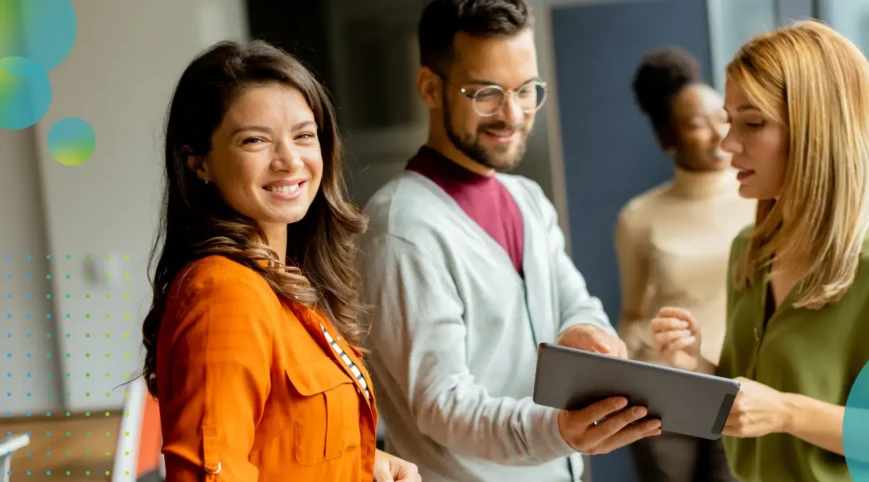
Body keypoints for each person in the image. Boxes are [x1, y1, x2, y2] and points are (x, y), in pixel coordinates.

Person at [358, 1, 662, 481]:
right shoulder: (402, 229)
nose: (513, 114)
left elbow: (577, 306)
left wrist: (586, 336)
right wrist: (558, 431)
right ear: (429, 87)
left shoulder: (528, 200)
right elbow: (443, 406)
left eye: (526, 91)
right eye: (487, 94)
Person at [650, 20, 869, 481]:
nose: (728, 144)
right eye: (731, 121)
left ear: (816, 132)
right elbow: (750, 407)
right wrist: (696, 363)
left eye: (752, 123)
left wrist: (789, 412)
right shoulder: (749, 253)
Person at [140, 40, 419, 482]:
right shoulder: (225, 293)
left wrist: (365, 467)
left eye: (304, 135)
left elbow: (285, 446)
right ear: (199, 164)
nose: (290, 160)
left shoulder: (283, 282)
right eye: (255, 140)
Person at [616, 47, 749, 482]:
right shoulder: (639, 216)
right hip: (665, 389)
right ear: (667, 138)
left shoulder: (762, 200)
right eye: (696, 124)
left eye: (723, 118)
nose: (716, 134)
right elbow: (634, 314)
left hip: (742, 384)